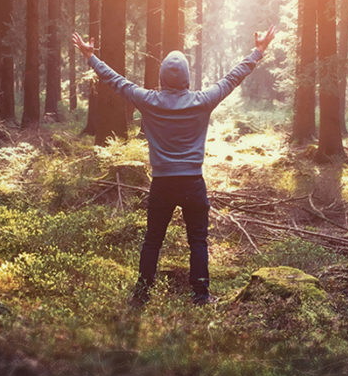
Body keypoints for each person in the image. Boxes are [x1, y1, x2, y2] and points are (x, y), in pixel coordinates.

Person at [72, 26, 277, 305]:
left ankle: (141, 294)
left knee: (152, 240)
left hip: (163, 184)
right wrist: (259, 50)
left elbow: (116, 81)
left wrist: (90, 57)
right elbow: (233, 77)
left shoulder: (148, 101)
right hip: (193, 182)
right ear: (187, 78)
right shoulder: (203, 101)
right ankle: (201, 295)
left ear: (161, 78)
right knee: (198, 241)